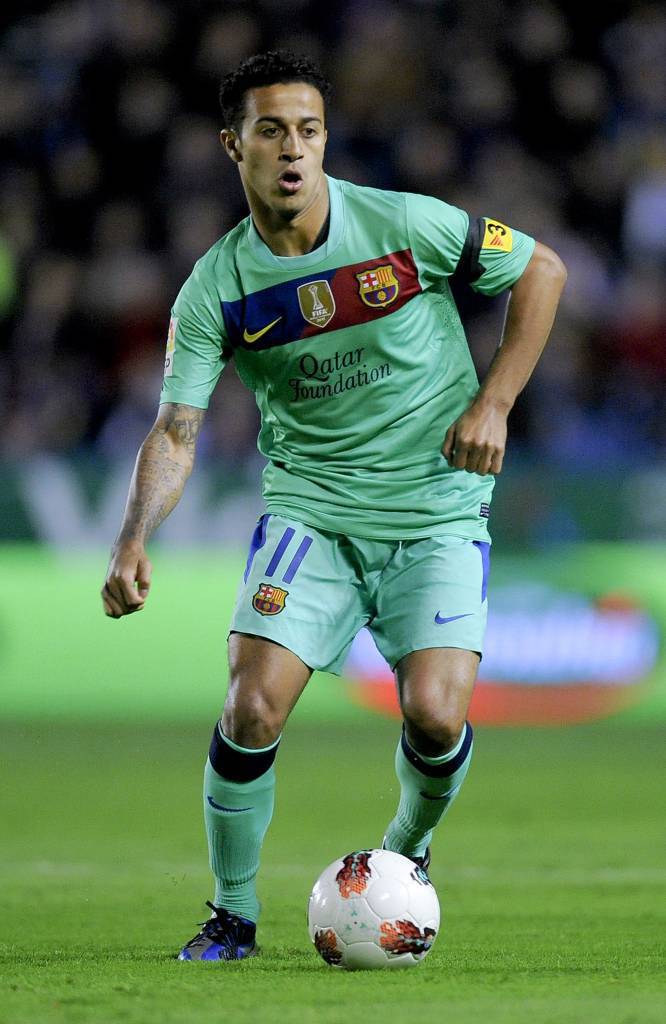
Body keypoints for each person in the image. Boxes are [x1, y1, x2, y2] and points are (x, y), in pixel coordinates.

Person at [101, 51, 567, 962]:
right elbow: (177, 430)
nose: (293, 149)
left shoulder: (404, 223)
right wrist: (132, 539)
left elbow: (542, 270)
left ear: (325, 141)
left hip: (435, 508)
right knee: (250, 708)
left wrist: (496, 402)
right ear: (232, 145)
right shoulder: (216, 288)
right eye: (271, 130)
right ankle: (233, 913)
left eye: (308, 130)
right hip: (311, 515)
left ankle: (405, 852)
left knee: (436, 715)